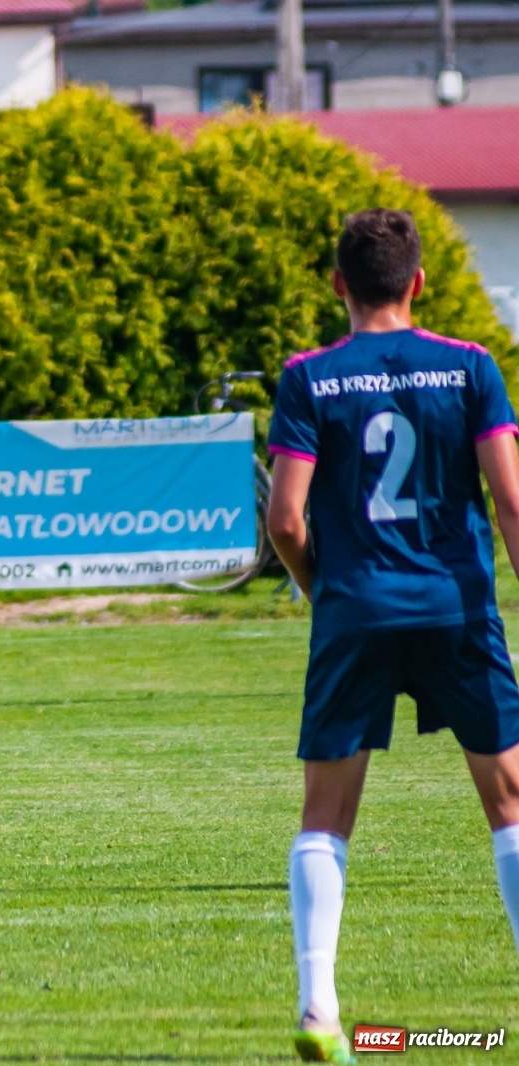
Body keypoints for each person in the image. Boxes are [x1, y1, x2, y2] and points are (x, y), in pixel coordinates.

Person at [267, 209, 519, 1063]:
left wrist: (325, 593)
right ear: (418, 282)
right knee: (510, 803)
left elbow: (286, 520)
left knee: (325, 815)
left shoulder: (307, 377)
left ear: (338, 283)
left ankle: (318, 1010)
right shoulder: (471, 367)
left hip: (356, 611)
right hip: (457, 608)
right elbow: (512, 503)